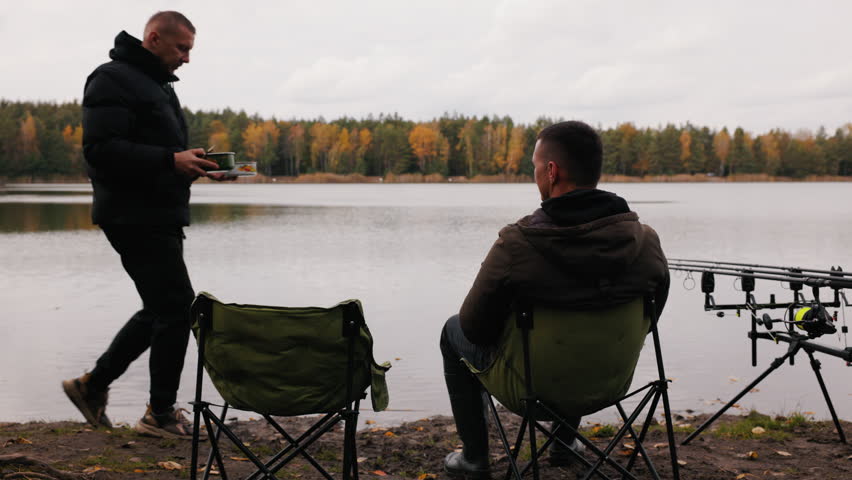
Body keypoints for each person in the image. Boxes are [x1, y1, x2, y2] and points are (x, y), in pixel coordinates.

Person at [439, 121, 669, 478]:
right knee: (584, 323)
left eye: (534, 167)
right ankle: (563, 445)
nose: (535, 176)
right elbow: (650, 320)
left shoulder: (517, 244)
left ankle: (474, 458)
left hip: (533, 392)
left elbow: (473, 328)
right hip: (609, 383)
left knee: (451, 331)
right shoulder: (646, 241)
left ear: (551, 171)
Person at [62, 11, 227, 439]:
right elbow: (101, 149)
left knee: (162, 307)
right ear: (154, 38)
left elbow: (154, 153)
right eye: (182, 48)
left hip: (158, 212)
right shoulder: (111, 79)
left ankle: (92, 385)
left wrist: (193, 163)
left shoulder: (154, 84)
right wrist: (170, 160)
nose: (187, 59)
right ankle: (160, 414)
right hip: (133, 215)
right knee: (177, 309)